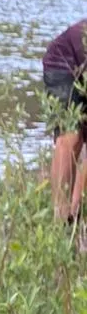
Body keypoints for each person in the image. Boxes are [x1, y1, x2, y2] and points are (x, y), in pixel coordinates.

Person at [43, 18, 87, 221]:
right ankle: (60, 218)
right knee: (70, 136)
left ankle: (76, 214)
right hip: (63, 62)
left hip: (82, 64)